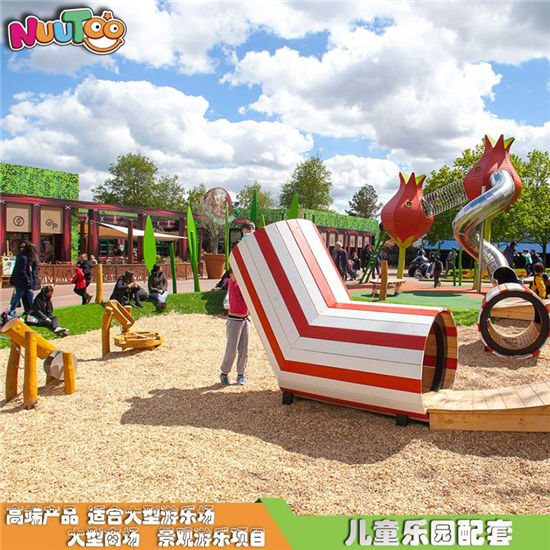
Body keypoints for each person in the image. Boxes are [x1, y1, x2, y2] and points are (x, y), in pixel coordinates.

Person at [219, 270, 249, 386]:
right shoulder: (233, 283)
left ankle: (241, 374)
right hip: (234, 320)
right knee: (232, 349)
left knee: (244, 349)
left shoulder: (246, 286)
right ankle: (224, 373)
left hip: (244, 320)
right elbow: (236, 272)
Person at [8, 241, 37, 315]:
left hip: (21, 281)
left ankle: (11, 311)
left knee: (19, 297)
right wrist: (28, 280)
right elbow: (23, 271)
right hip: (23, 282)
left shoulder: (20, 256)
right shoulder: (24, 258)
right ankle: (35, 311)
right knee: (27, 296)